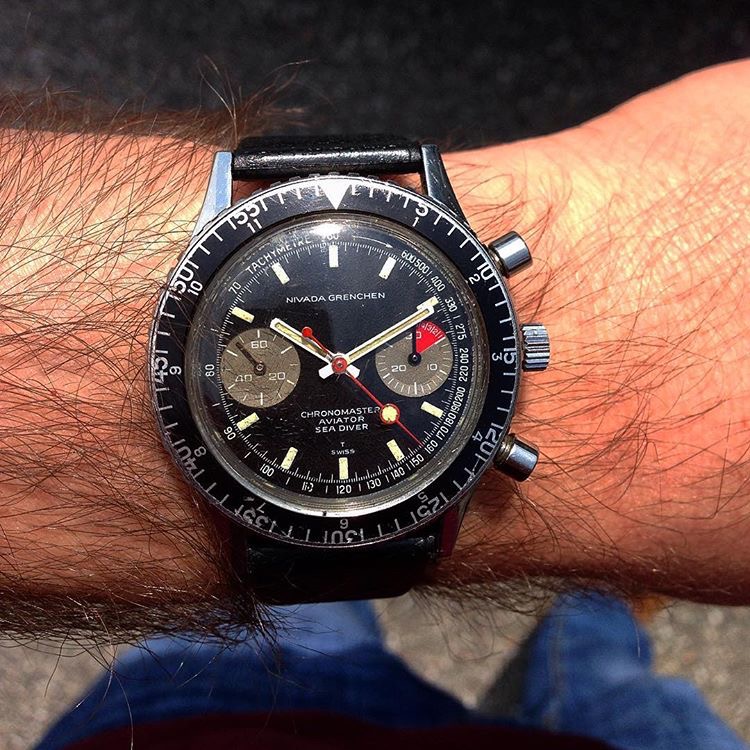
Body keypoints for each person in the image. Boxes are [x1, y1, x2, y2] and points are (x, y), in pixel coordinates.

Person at [0, 60, 747, 748]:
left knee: (265, 636)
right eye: (329, 360)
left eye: (343, 362)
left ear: (519, 347)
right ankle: (590, 640)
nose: (337, 366)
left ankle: (590, 644)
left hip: (188, 724)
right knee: (617, 689)